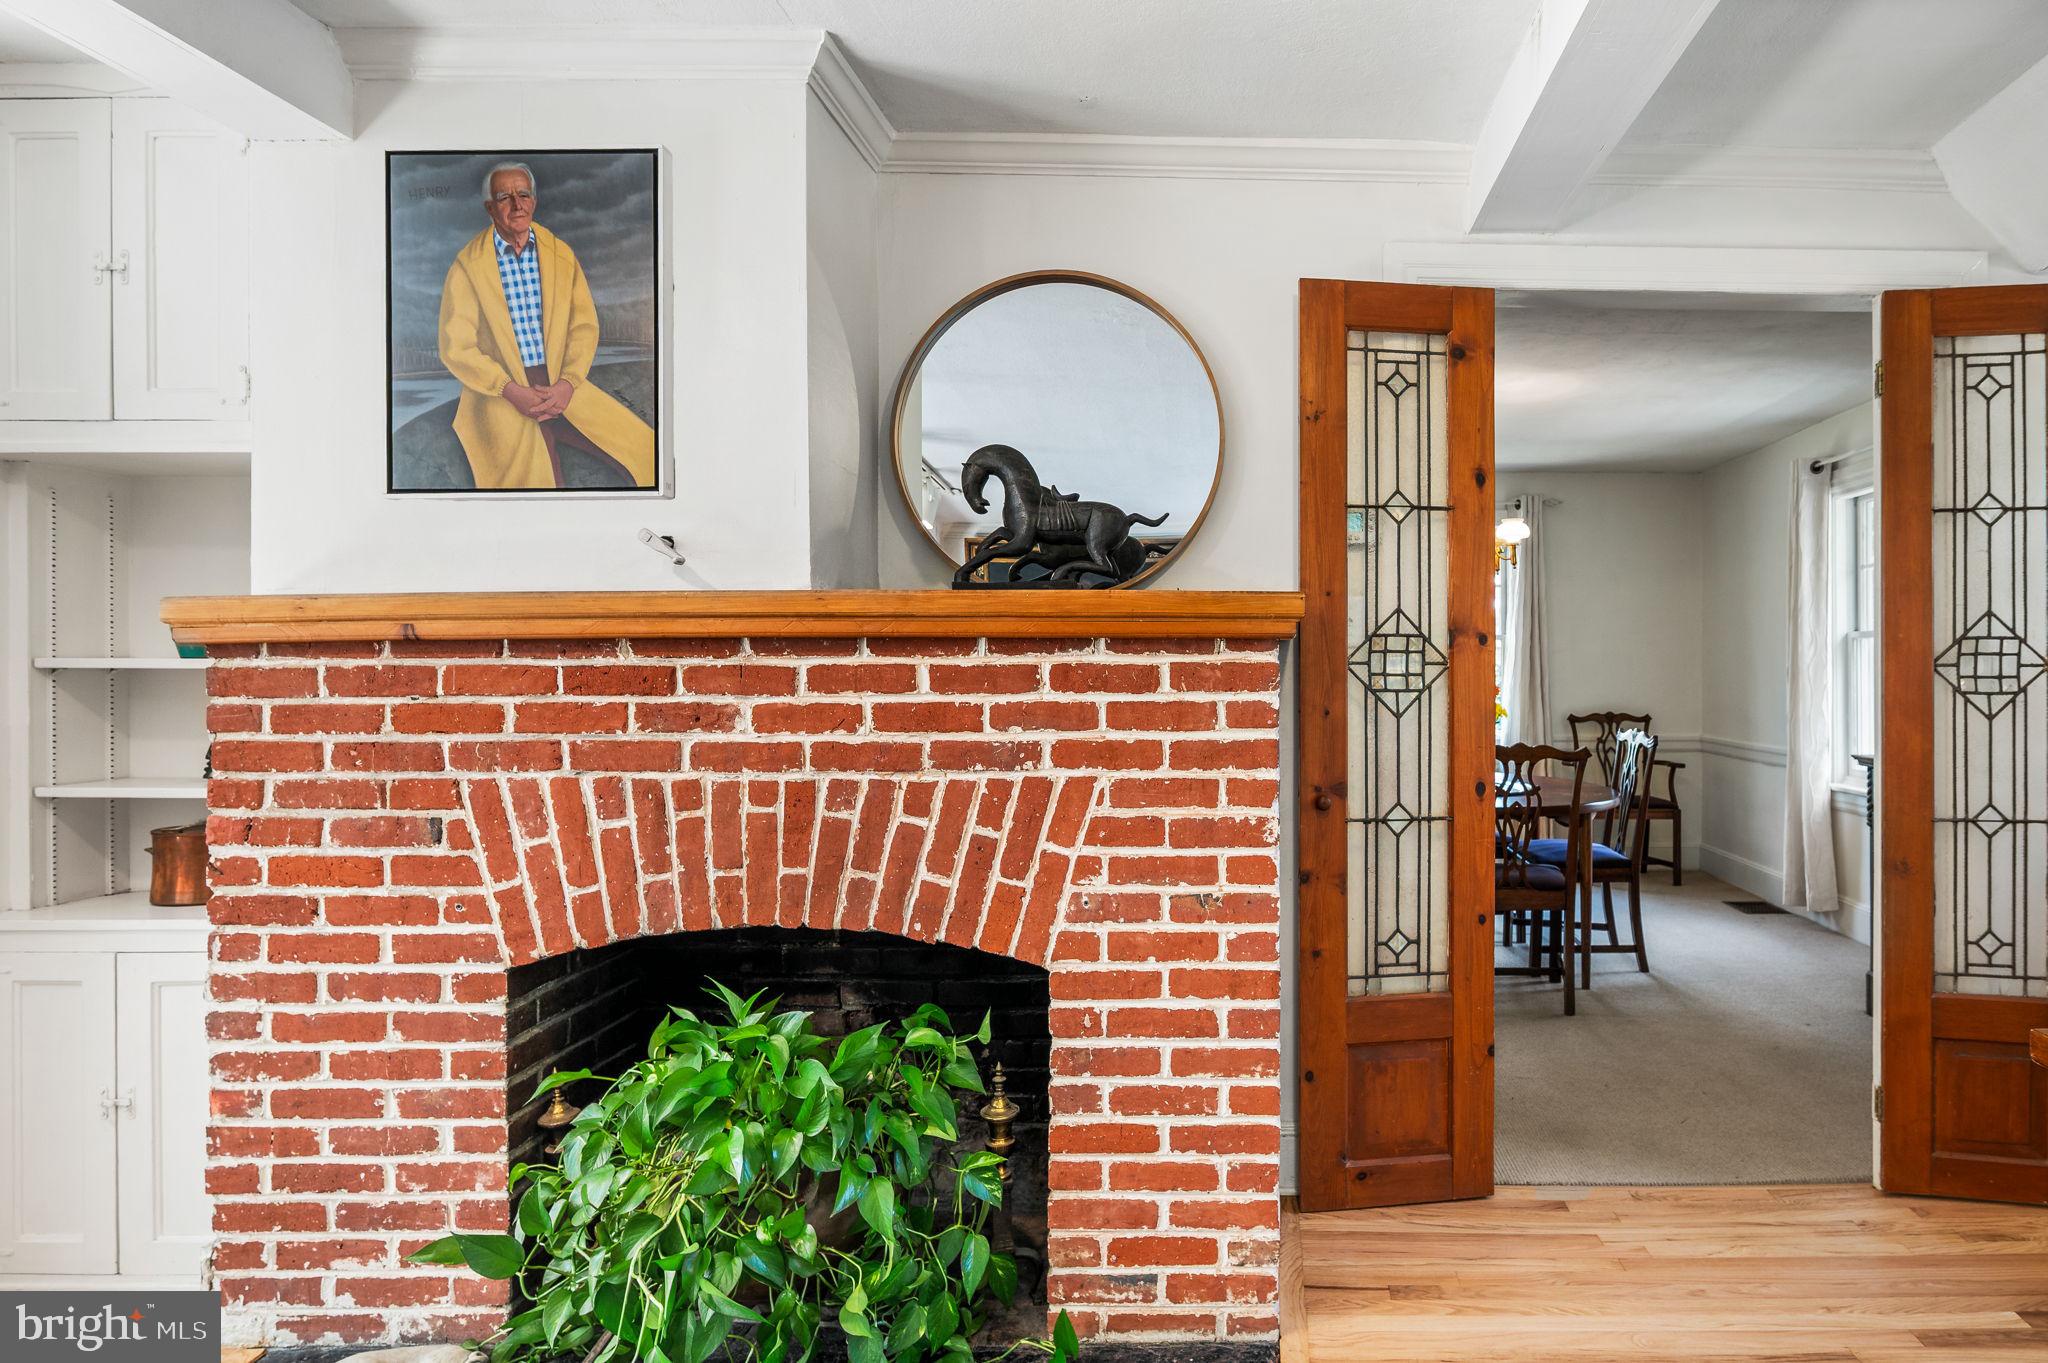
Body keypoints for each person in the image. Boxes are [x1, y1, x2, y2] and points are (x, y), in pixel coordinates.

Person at [435, 162, 655, 488]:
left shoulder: (559, 254)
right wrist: (510, 390)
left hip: (561, 384)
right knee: (528, 483)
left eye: (523, 194)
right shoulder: (468, 265)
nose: (517, 204)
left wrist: (567, 383)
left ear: (534, 202)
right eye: (504, 197)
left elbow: (583, 327)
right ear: (490, 208)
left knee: (642, 448)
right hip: (500, 392)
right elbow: (457, 347)